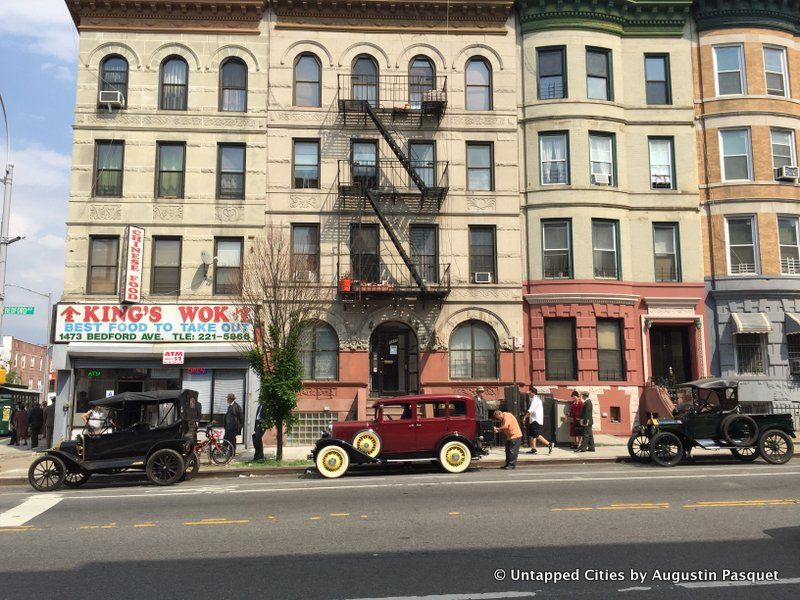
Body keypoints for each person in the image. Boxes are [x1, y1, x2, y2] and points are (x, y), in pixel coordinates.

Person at [523, 387, 553, 454]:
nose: (529, 394)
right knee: (532, 435)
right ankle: (533, 449)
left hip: (535, 420)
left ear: (533, 392)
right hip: (533, 420)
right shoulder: (535, 399)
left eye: (529, 392)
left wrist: (525, 417)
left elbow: (530, 410)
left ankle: (549, 444)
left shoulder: (535, 400)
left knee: (535, 434)